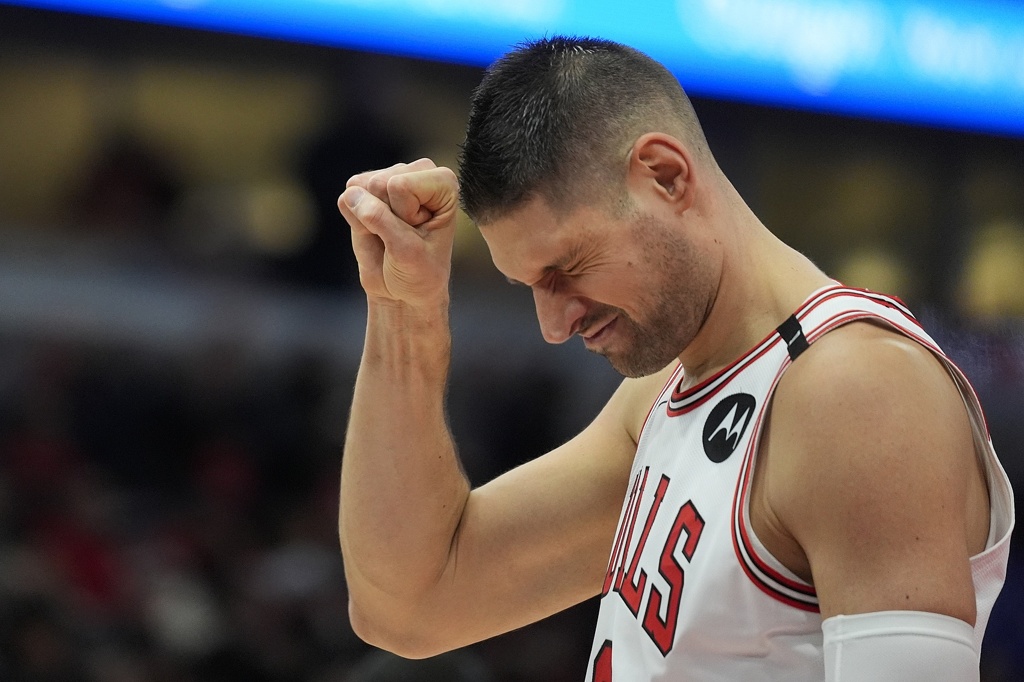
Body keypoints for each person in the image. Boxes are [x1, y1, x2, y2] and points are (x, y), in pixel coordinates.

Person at [335, 36, 1014, 681]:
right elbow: (410, 605)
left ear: (665, 176)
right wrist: (404, 311)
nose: (554, 324)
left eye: (566, 268)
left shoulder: (857, 389)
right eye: (530, 287)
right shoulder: (671, 386)